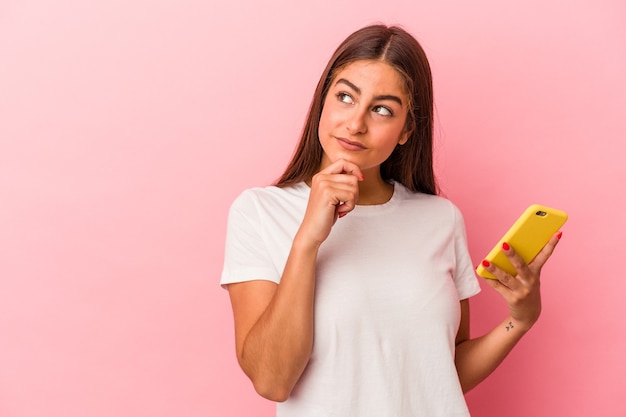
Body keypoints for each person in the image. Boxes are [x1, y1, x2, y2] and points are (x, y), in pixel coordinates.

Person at [220, 24, 562, 417]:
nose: (356, 123)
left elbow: (439, 374)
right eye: (345, 97)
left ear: (406, 130)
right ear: (322, 102)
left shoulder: (440, 219)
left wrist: (520, 321)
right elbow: (272, 380)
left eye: (382, 109)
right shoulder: (260, 212)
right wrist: (308, 240)